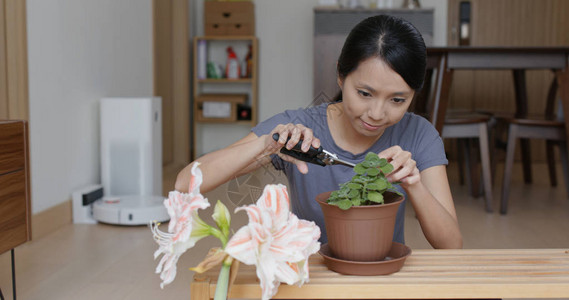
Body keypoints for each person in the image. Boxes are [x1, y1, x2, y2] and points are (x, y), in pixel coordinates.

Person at [176, 15, 462, 249]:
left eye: (397, 100)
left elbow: (451, 246)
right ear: (340, 75)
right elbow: (184, 183)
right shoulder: (299, 127)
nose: (377, 113)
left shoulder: (418, 133)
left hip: (380, 279)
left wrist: (415, 185)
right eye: (364, 93)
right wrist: (267, 144)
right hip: (307, 274)